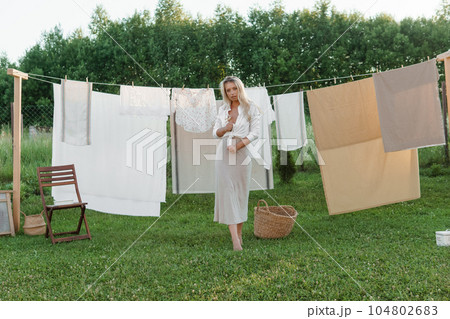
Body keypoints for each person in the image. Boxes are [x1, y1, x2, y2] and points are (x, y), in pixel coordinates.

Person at [213, 76, 261, 251]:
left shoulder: (251, 107)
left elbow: (255, 133)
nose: (232, 93)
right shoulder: (223, 109)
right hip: (224, 153)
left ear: (240, 88)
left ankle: (240, 235)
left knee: (240, 193)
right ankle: (235, 240)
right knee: (227, 192)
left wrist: (238, 145)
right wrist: (225, 128)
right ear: (225, 93)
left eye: (234, 88)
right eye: (228, 90)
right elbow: (215, 133)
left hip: (242, 154)